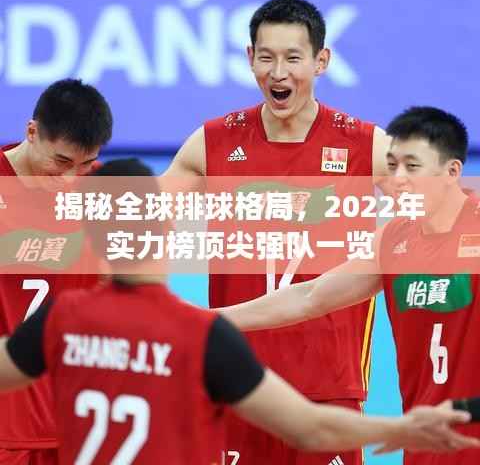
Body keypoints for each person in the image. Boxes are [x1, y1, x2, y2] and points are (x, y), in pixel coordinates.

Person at [0, 158, 478, 465]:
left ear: (92, 236)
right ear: (169, 230)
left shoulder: (61, 320)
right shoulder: (199, 336)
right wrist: (401, 427)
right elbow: (310, 428)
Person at [163, 0, 392, 464]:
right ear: (250, 58)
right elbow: (137, 222)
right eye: (266, 58)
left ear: (321, 61)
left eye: (293, 58)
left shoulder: (365, 145)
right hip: (238, 383)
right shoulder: (212, 143)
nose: (278, 73)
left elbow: (441, 208)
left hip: (329, 389)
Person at [219, 106, 480, 464]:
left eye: (412, 166)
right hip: (427, 445)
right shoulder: (394, 239)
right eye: (392, 165)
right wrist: (207, 320)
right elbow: (309, 297)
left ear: (452, 171)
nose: (398, 179)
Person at [0, 78, 112, 464]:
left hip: (77, 421)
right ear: (32, 132)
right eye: (61, 162)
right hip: (7, 424)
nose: (70, 178)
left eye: (85, 163)